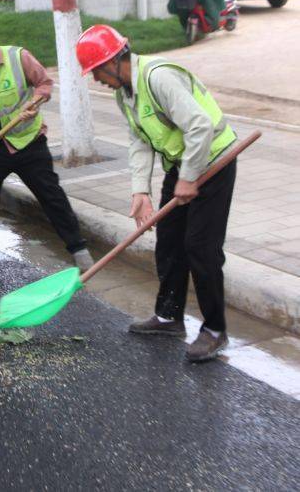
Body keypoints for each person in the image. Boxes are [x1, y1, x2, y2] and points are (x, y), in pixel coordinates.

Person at [76, 24, 237, 363]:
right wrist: (140, 191)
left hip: (214, 161)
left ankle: (215, 330)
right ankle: (168, 317)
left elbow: (199, 126)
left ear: (114, 62)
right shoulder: (126, 93)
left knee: (201, 247)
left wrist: (190, 178)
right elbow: (140, 140)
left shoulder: (158, 77)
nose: (96, 80)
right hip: (183, 164)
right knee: (169, 241)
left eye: (96, 72)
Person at [0, 20, 93, 276]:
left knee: (51, 195)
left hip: (28, 142)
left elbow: (45, 84)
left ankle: (78, 249)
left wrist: (35, 103)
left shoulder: (18, 58)